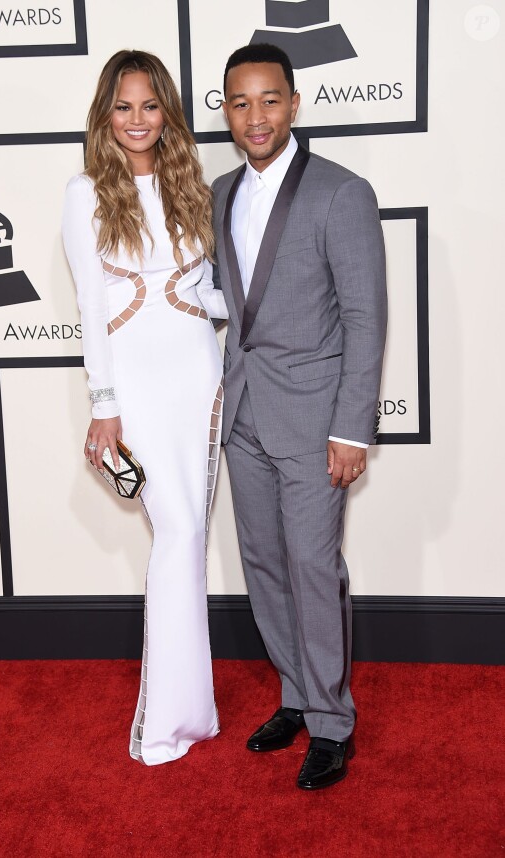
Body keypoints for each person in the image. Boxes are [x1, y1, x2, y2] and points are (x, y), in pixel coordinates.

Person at [212, 43, 387, 790]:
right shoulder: (219, 191)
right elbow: (233, 305)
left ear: (294, 103)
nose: (256, 116)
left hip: (316, 421)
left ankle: (332, 723)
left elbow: (365, 319)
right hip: (244, 411)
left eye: (269, 100)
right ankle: (296, 694)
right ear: (226, 110)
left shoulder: (342, 193)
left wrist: (351, 429)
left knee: (314, 568)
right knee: (263, 565)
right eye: (240, 103)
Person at [62, 49, 228, 766]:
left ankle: (194, 712)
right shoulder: (85, 193)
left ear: (168, 113)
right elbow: (91, 307)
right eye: (123, 107)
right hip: (135, 386)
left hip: (200, 375)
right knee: (179, 532)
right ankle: (166, 722)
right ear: (105, 114)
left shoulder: (192, 185)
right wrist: (104, 406)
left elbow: (209, 293)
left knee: (189, 538)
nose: (137, 120)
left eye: (150, 106)